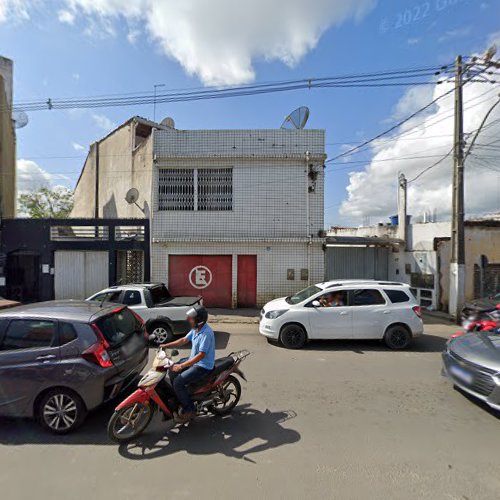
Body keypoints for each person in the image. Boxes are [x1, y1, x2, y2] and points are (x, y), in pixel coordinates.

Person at [160, 305, 215, 424]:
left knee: (178, 382)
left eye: (191, 318)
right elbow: (183, 340)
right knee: (171, 370)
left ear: (199, 320)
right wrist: (166, 345)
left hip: (203, 366)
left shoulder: (206, 333)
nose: (188, 320)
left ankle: (189, 410)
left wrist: (182, 366)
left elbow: (201, 355)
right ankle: (181, 397)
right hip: (193, 360)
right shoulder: (196, 329)